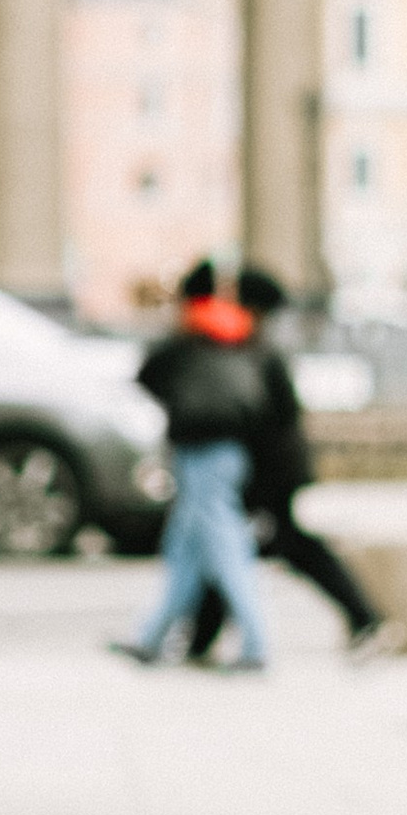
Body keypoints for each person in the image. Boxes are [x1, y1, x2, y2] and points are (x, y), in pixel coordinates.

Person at [184, 269, 400, 665]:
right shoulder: (263, 347)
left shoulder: (252, 349)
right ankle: (364, 619)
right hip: (277, 470)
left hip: (268, 473)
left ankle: (366, 619)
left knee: (252, 547)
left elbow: (261, 419)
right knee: (252, 546)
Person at [114, 264, 276, 672]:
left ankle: (256, 644)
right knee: (184, 548)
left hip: (199, 450)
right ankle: (150, 638)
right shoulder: (237, 331)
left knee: (226, 546)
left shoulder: (188, 332)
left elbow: (145, 373)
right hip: (234, 449)